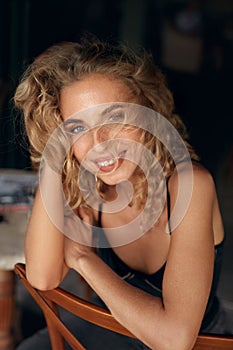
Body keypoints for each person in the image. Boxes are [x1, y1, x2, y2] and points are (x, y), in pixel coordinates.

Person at [14, 36, 229, 350]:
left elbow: (174, 339)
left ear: (146, 112)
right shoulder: (90, 185)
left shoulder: (189, 183)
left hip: (200, 342)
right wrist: (52, 157)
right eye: (76, 128)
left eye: (114, 117)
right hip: (113, 327)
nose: (99, 142)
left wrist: (82, 257)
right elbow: (43, 278)